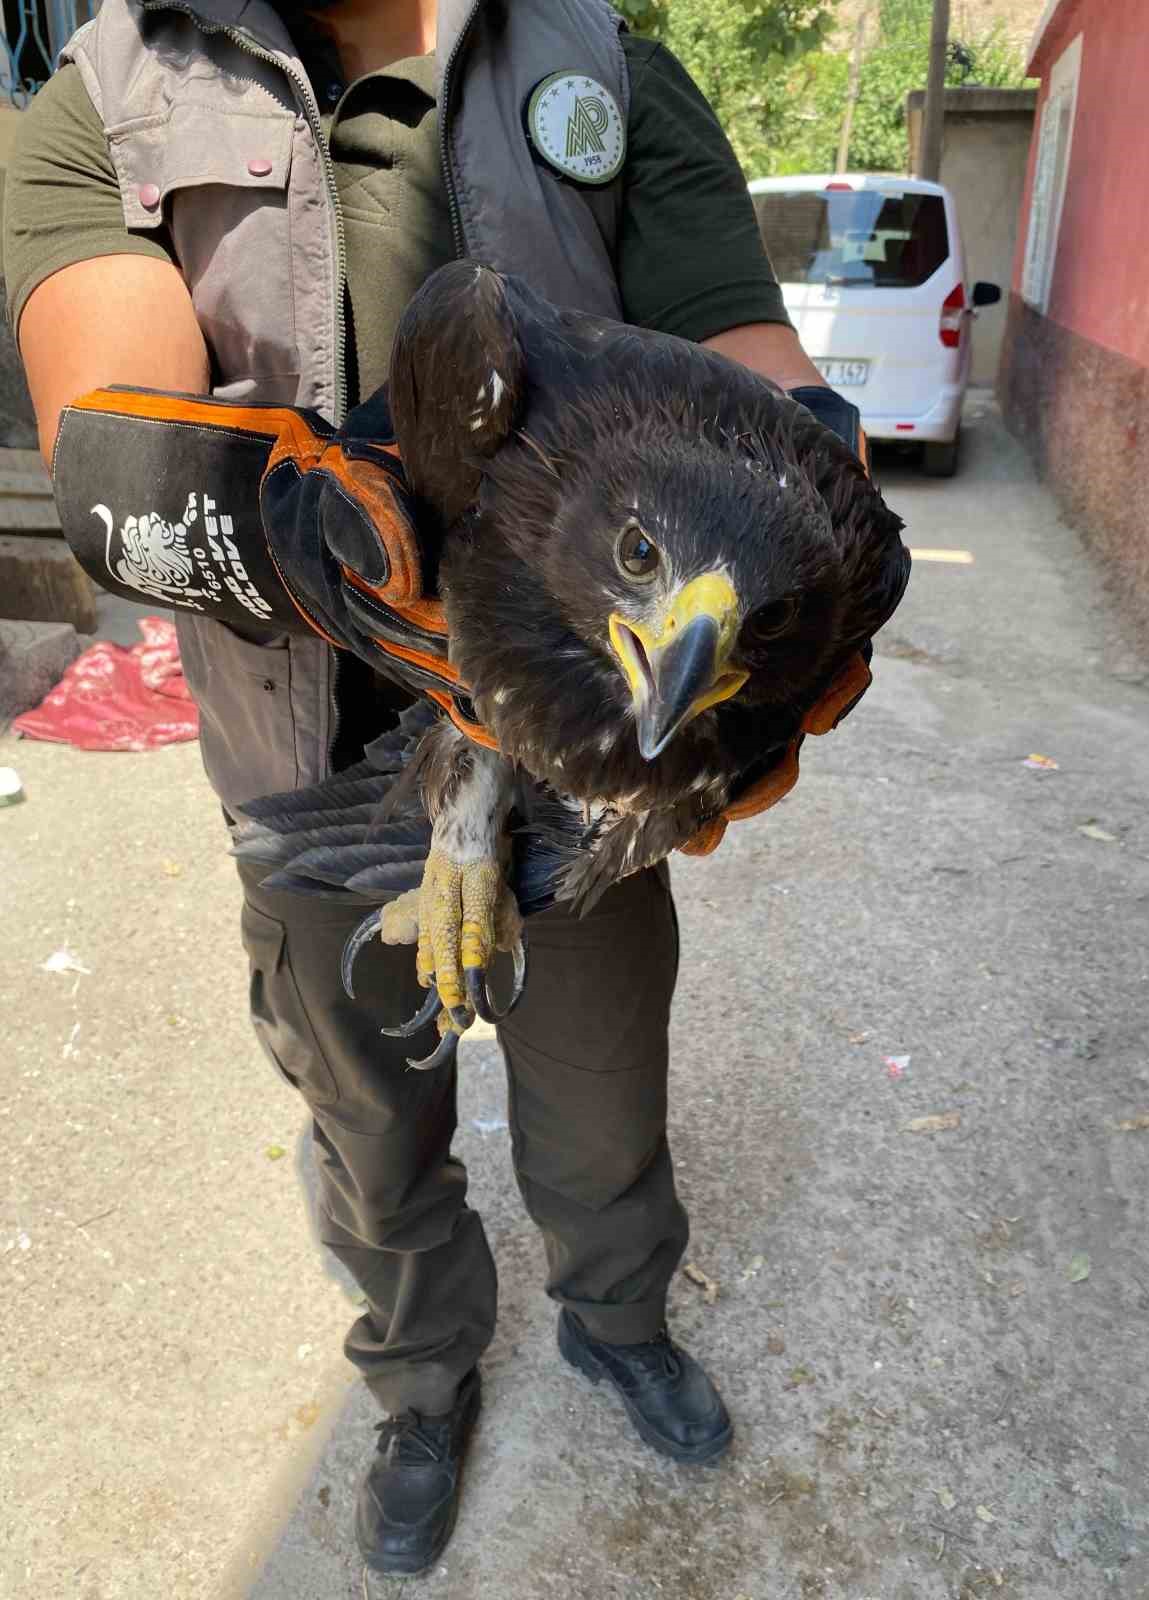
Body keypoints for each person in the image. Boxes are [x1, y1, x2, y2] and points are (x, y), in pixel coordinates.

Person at [5, 0, 851, 1574]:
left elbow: (745, 359)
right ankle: (419, 1379)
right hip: (305, 755)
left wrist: (811, 521)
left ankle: (616, 1322)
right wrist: (279, 512)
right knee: (368, 1134)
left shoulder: (605, 66)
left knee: (604, 1113)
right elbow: (108, 451)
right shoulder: (105, 89)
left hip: (588, 756)